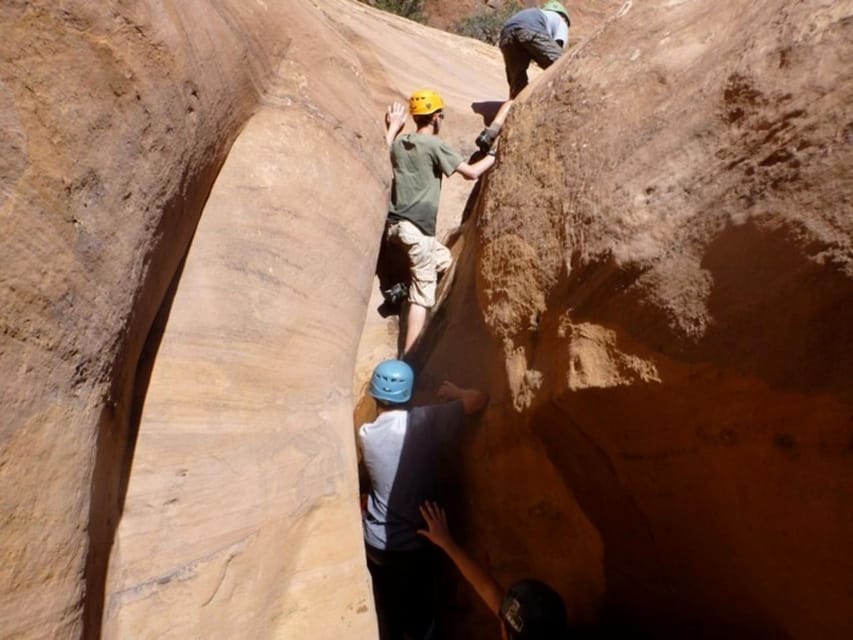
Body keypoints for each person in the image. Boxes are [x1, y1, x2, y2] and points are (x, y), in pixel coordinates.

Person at [359, 359, 489, 640]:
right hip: (415, 544)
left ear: (374, 394)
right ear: (409, 393)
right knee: (421, 618)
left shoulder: (365, 435)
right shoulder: (425, 421)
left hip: (375, 543)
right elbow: (478, 399)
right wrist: (455, 392)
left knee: (391, 610)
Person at [384, 89, 497, 356]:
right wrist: (494, 156)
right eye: (441, 116)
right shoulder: (435, 145)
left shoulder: (399, 144)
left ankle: (403, 289)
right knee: (422, 298)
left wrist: (393, 129)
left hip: (395, 229)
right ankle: (408, 361)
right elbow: (470, 173)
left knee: (445, 261)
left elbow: (382, 151)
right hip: (418, 232)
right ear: (435, 118)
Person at [418, 501, 570, 640]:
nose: (501, 623)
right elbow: (486, 587)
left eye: (504, 624)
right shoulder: (534, 629)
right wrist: (446, 542)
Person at [499, 1, 572, 99]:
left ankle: (513, 105)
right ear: (564, 17)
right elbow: (557, 50)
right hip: (530, 29)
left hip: (506, 34)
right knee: (563, 63)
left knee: (518, 84)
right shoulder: (561, 20)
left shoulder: (537, 13)